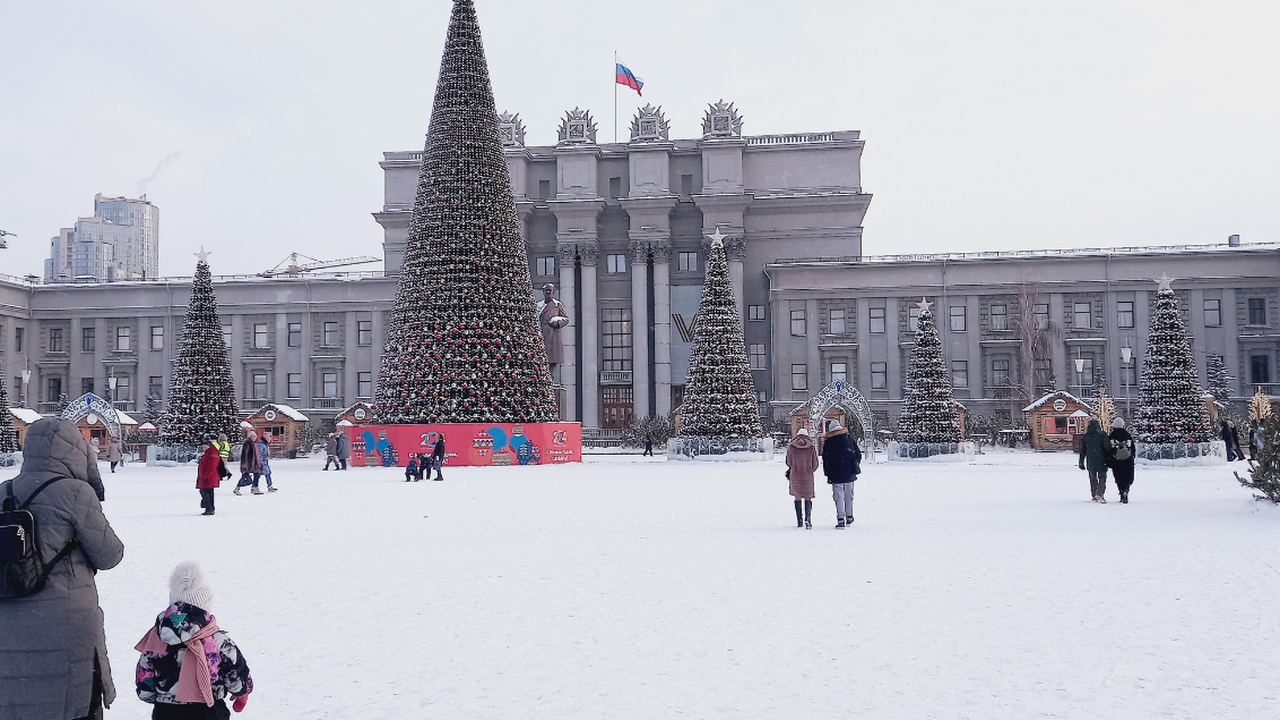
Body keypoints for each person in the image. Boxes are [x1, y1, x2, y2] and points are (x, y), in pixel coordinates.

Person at [0, 417, 126, 720]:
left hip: (8, 613)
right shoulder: (75, 493)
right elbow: (110, 554)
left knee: (16, 694)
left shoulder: (4, 490)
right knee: (69, 702)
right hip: (65, 619)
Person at [135, 562, 253, 719]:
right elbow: (237, 674)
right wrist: (242, 692)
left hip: (166, 713)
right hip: (209, 711)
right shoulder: (217, 640)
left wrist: (162, 698)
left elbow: (145, 685)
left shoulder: (156, 639)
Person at [820, 421, 861, 528]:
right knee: (849, 496)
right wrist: (854, 465)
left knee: (839, 497)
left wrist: (827, 472)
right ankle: (849, 516)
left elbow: (826, 459)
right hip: (849, 472)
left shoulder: (829, 442)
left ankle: (840, 519)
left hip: (835, 473)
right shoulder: (849, 439)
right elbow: (858, 454)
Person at [785, 427, 819, 529]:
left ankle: (799, 520)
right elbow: (815, 464)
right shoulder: (811, 447)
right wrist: (809, 469)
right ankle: (808, 520)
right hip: (808, 475)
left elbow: (788, 462)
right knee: (808, 497)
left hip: (795, 475)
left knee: (797, 497)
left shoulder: (792, 447)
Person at [1079, 419, 1110, 502]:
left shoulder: (1086, 436)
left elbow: (1083, 450)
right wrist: (1111, 456)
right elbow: (1107, 447)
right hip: (1102, 460)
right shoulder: (1102, 435)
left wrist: (1081, 462)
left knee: (1093, 478)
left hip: (1091, 460)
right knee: (1102, 478)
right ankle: (1100, 494)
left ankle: (1094, 494)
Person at [1108, 418, 1136, 504]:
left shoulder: (1111, 436)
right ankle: (1126, 490)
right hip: (1127, 460)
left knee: (1118, 477)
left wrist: (1110, 458)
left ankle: (1121, 491)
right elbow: (1133, 448)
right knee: (1127, 477)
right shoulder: (1127, 435)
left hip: (1116, 460)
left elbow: (1108, 449)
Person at [197, 439, 223, 516]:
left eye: (205, 446)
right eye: (203, 447)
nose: (204, 448)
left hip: (209, 477)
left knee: (206, 493)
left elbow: (212, 466)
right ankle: (210, 508)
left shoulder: (212, 453)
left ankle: (209, 508)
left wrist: (207, 476)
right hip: (207, 476)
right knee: (208, 493)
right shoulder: (209, 453)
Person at [234, 432, 262, 496]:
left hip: (255, 464)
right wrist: (244, 465)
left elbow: (257, 455)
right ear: (250, 436)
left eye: (255, 436)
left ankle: (255, 487)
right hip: (248, 464)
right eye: (253, 436)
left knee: (257, 475)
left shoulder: (254, 443)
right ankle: (237, 488)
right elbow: (244, 455)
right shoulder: (247, 443)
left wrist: (259, 463)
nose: (254, 438)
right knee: (245, 477)